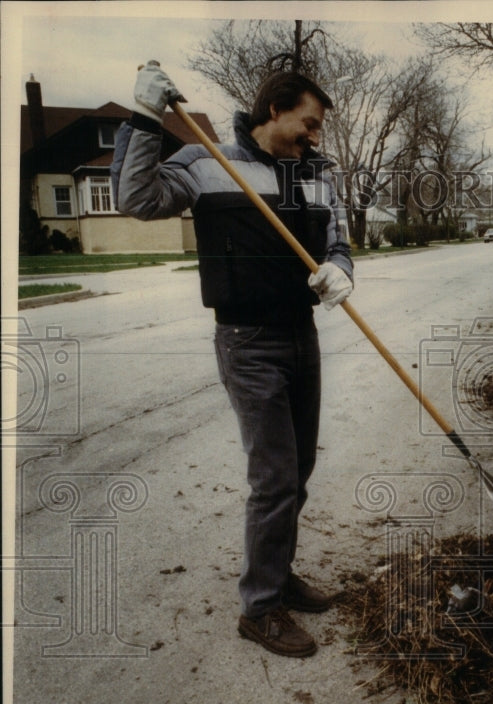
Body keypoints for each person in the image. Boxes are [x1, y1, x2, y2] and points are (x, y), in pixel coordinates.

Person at [112, 62, 355, 657]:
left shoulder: (316, 176)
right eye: (309, 123)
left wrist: (340, 272)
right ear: (275, 110)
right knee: (273, 478)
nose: (315, 136)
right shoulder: (206, 163)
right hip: (248, 342)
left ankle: (279, 572)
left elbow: (340, 243)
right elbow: (135, 198)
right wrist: (145, 118)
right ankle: (260, 607)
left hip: (303, 334)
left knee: (296, 473)